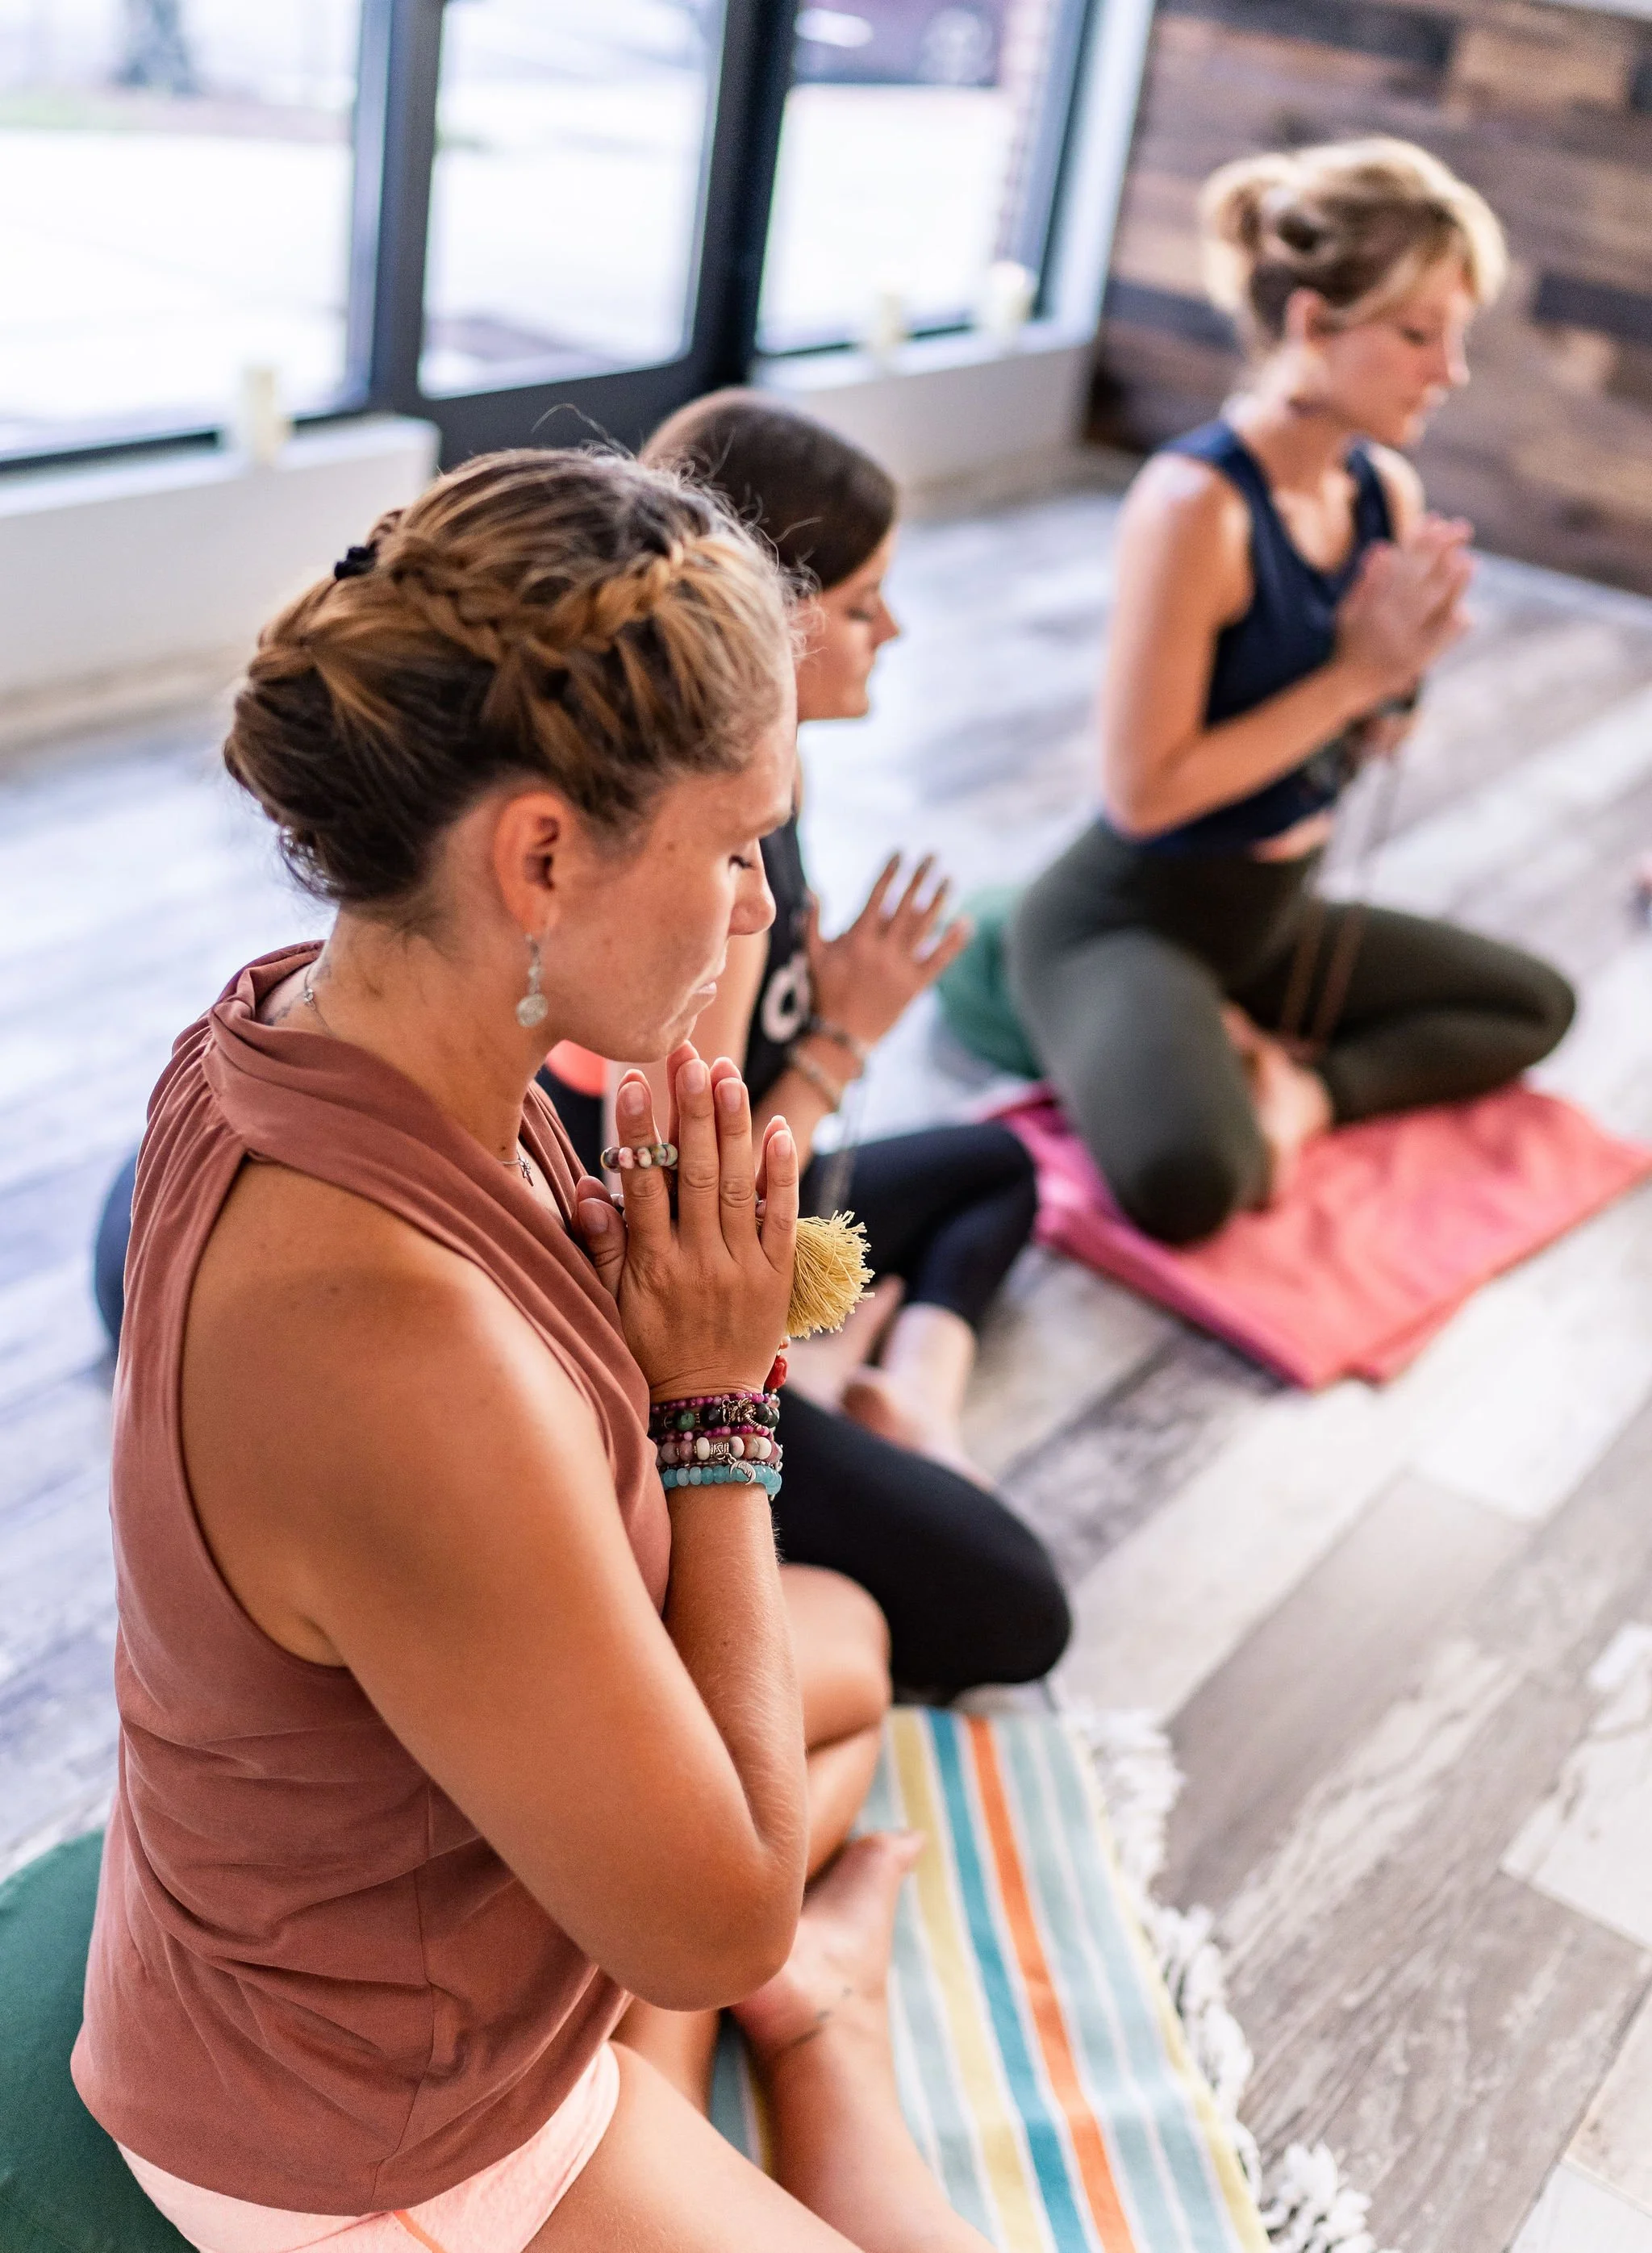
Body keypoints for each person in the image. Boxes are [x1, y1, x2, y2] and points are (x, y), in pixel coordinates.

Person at [73, 448, 997, 2253]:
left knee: (860, 1642)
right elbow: (707, 1919)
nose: (756, 907)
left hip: (403, 1900)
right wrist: (717, 1405)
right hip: (368, 2132)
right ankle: (819, 2026)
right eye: (737, 846)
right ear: (542, 853)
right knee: (754, 1906)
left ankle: (778, 2026)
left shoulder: (297, 1013)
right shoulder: (391, 1346)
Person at [993, 138, 1575, 1245]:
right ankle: (1151, 1023)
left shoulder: (1382, 490)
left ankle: (1297, 1085)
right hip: (1129, 918)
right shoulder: (1192, 506)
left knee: (1534, 1005)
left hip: (1268, 921)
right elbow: (1144, 795)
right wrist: (1361, 674)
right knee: (1193, 1183)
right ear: (1313, 325)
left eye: (1455, 336)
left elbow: (1366, 735)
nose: (1448, 372)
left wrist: (1400, 682)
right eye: (1417, 335)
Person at [627, 390, 1067, 1693]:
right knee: (1017, 1611)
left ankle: (901, 1390)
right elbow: (675, 1209)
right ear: (768, 615)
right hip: (668, 1306)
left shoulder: (779, 777)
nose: (893, 629)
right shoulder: (711, 851)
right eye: (867, 600)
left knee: (1002, 1168)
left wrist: (824, 1011)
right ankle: (831, 1387)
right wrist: (840, 1040)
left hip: (757, 1214)